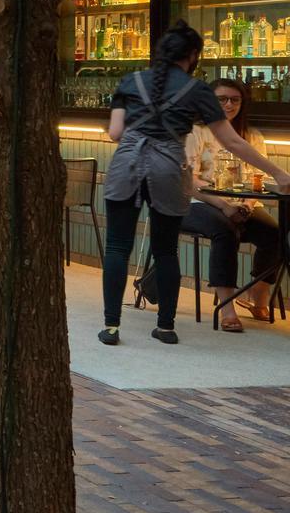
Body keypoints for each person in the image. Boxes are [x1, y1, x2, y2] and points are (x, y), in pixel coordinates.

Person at [100, 23, 285, 346]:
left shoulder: (130, 82)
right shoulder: (197, 90)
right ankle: (166, 327)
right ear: (193, 56)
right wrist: (279, 174)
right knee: (166, 249)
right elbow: (232, 142)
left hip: (126, 164)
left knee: (117, 247)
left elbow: (115, 133)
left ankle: (112, 327)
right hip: (169, 167)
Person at [177, 79, 287, 330]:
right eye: (222, 99)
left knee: (275, 233)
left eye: (235, 99)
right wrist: (224, 205)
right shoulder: (194, 132)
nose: (228, 104)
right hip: (197, 202)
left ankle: (257, 297)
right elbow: (187, 181)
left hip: (241, 204)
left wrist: (247, 204)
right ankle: (227, 309)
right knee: (225, 230)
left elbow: (257, 180)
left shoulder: (252, 136)